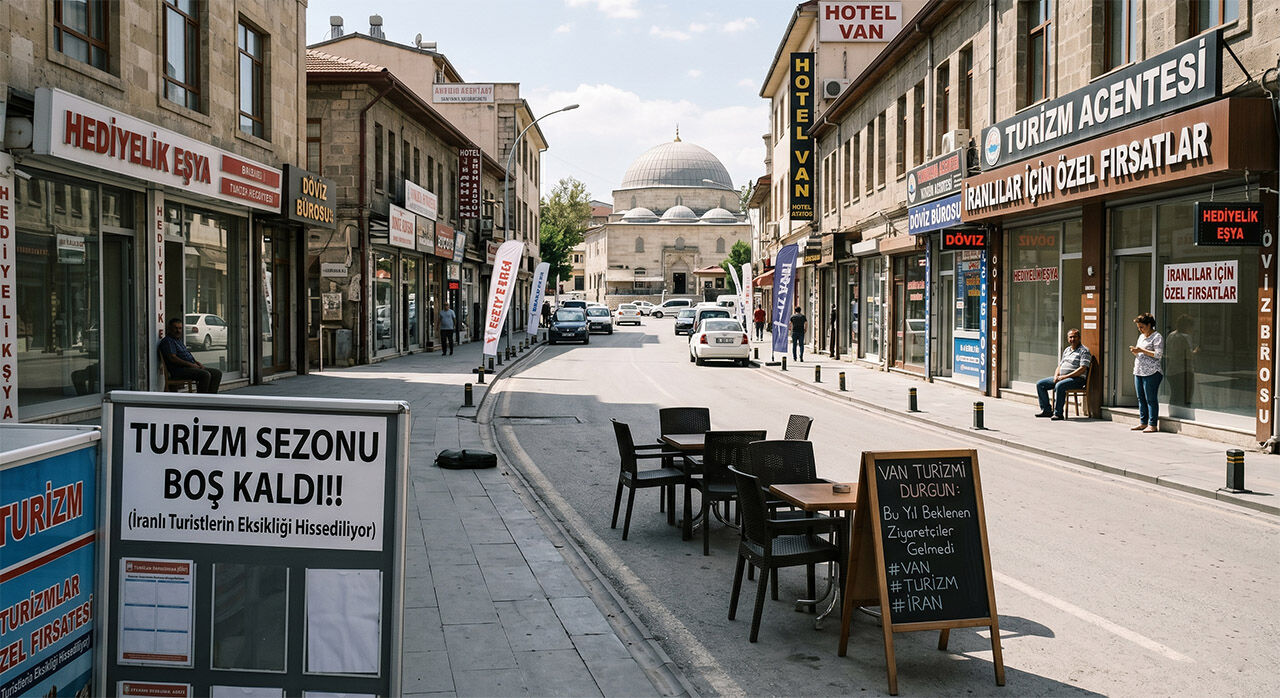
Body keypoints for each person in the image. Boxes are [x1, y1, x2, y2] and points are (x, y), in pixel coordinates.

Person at [1034, 328, 1090, 421]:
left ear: (1079, 338)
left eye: (1075, 337)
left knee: (1060, 385)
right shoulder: (1067, 350)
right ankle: (1047, 410)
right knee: (1040, 384)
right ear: (1068, 339)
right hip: (1062, 377)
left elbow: (1082, 369)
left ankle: (1058, 413)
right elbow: (1060, 366)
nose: (1072, 339)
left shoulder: (1084, 351)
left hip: (1077, 379)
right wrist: (1056, 376)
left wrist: (1065, 377)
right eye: (1070, 337)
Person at [158, 317, 222, 393]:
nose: (178, 331)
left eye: (180, 328)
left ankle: (211, 398)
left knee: (217, 373)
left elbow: (187, 355)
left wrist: (197, 363)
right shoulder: (168, 341)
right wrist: (191, 365)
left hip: (190, 367)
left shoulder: (178, 340)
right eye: (175, 328)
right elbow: (173, 358)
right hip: (179, 370)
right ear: (169, 328)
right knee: (205, 375)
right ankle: (202, 399)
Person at [1130, 312, 1164, 433]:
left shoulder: (1157, 337)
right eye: (1138, 327)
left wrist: (1141, 350)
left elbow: (1158, 355)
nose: (1140, 329)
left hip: (1152, 372)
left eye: (1142, 327)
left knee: (1151, 398)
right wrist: (1136, 351)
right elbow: (1140, 352)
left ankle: (1152, 424)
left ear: (1149, 325)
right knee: (1141, 398)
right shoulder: (1141, 337)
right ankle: (1143, 422)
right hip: (1139, 370)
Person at [1166, 315, 1198, 406]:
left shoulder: (1171, 336)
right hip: (1183, 371)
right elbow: (1188, 355)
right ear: (1187, 326)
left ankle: (1173, 413)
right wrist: (1196, 351)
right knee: (1185, 397)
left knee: (1175, 395)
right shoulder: (1184, 337)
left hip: (1171, 371)